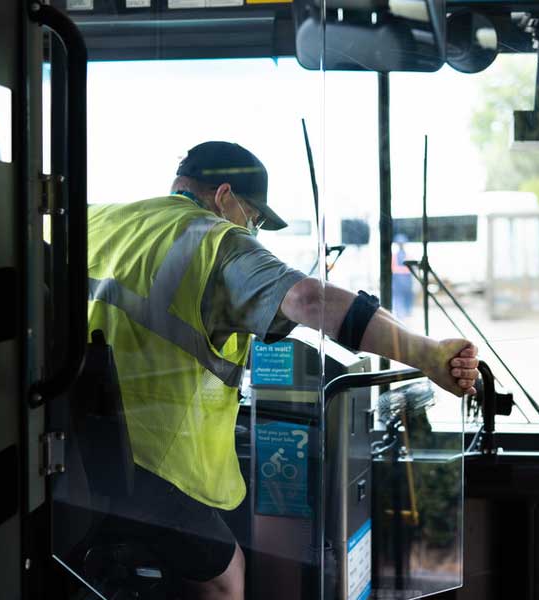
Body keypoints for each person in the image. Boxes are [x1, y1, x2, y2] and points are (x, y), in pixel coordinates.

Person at [87, 141, 480, 600]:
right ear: (224, 196)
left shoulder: (97, 219)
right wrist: (429, 356)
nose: (252, 231)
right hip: (152, 463)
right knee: (225, 576)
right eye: (253, 217)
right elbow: (309, 300)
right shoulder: (215, 238)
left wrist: (428, 345)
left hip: (79, 451)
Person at [391, 233, 415, 319]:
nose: (401, 245)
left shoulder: (408, 255)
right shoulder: (394, 256)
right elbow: (392, 268)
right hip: (398, 281)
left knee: (407, 298)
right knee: (398, 298)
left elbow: (412, 269)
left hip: (406, 280)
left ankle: (406, 313)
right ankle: (400, 314)